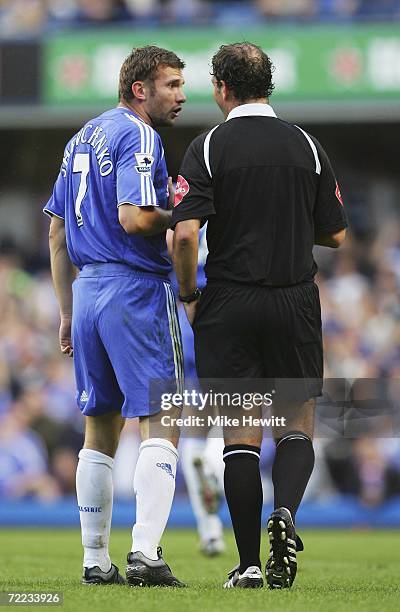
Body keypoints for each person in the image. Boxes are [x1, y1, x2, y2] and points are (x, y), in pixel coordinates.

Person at [172, 42, 347, 589]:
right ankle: (287, 513)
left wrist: (189, 294)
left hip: (228, 299)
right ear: (268, 86)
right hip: (294, 298)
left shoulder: (208, 146)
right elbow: (336, 233)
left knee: (240, 437)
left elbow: (183, 234)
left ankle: (248, 564)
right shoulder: (307, 145)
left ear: (221, 88)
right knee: (296, 424)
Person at [44, 45, 186, 587]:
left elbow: (57, 232)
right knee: (163, 413)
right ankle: (146, 554)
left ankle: (94, 560)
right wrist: (187, 215)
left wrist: (64, 309)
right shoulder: (140, 135)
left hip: (87, 293)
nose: (181, 95)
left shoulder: (81, 136)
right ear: (139, 90)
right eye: (171, 84)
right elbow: (134, 217)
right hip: (135, 288)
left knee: (99, 427)